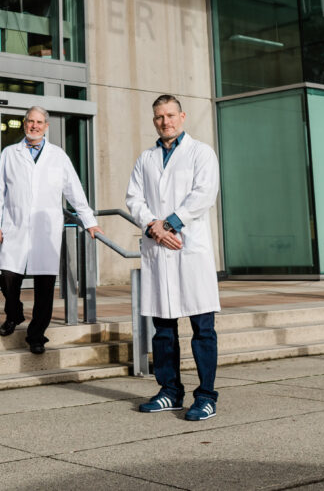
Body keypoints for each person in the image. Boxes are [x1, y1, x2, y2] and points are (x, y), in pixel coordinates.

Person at [126, 94, 221, 422]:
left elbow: (204, 194)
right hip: (158, 251)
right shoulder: (145, 158)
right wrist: (153, 227)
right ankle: (170, 391)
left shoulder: (201, 152)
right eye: (158, 117)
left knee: (202, 328)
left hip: (189, 250)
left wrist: (169, 223)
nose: (164, 121)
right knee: (163, 329)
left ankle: (206, 396)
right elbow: (133, 198)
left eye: (169, 115)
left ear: (182, 116)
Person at [0, 105, 101, 354]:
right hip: (15, 227)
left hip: (45, 232)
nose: (34, 126)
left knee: (44, 287)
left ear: (46, 126)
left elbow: (74, 189)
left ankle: (36, 335)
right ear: (25, 123)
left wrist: (89, 220)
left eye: (39, 122)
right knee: (8, 277)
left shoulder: (58, 155)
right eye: (30, 121)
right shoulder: (9, 153)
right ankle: (14, 314)